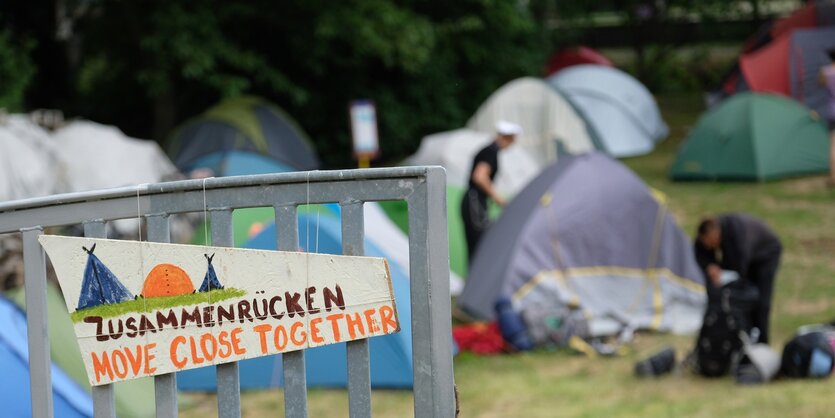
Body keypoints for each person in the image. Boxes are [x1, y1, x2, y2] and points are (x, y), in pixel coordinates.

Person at [694, 213, 782, 344]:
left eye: (712, 243)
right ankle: (740, 338)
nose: (711, 248)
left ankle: (762, 342)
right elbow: (700, 251)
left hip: (766, 255)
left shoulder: (737, 235)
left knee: (760, 301)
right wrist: (709, 266)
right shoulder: (706, 235)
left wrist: (722, 274)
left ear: (717, 233)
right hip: (746, 258)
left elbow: (739, 267)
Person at [460, 120, 520, 263]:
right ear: (509, 137)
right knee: (479, 247)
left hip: (474, 202)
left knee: (477, 246)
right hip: (475, 203)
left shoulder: (490, 150)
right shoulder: (490, 151)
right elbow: (480, 176)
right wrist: (500, 200)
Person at [819, 52, 835, 186]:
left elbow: (820, 84)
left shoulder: (825, 72)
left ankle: (832, 176)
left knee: (833, 146)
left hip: (831, 112)